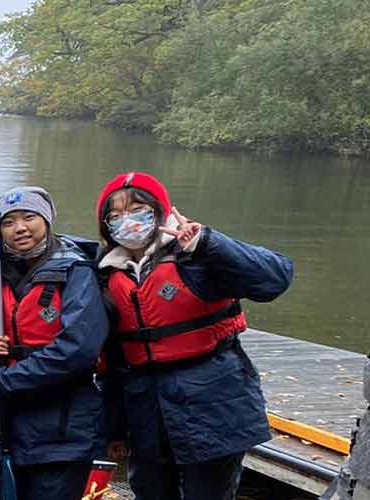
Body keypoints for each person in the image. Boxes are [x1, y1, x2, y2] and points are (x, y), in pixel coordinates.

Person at [94, 172, 293, 500]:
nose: (127, 221)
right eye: (115, 215)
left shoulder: (198, 256)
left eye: (138, 209)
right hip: (147, 410)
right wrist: (115, 428)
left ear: (159, 210)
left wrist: (208, 244)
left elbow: (275, 278)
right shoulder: (107, 274)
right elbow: (115, 360)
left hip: (214, 403)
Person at [0, 186, 107, 500]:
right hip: (10, 427)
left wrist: (8, 379)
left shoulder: (76, 272)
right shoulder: (3, 275)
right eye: (9, 222)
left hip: (61, 431)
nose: (19, 228)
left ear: (47, 221)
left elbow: (78, 349)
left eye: (29, 218)